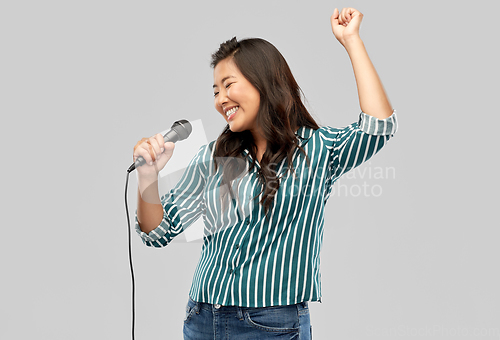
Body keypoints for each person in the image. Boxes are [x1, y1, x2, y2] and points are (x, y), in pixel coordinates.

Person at [132, 7, 398, 340]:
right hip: (202, 317)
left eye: (228, 85)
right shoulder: (214, 156)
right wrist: (149, 178)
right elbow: (157, 232)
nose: (220, 99)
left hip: (270, 324)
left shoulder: (316, 149)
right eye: (215, 91)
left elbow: (379, 126)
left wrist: (351, 40)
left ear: (264, 82)